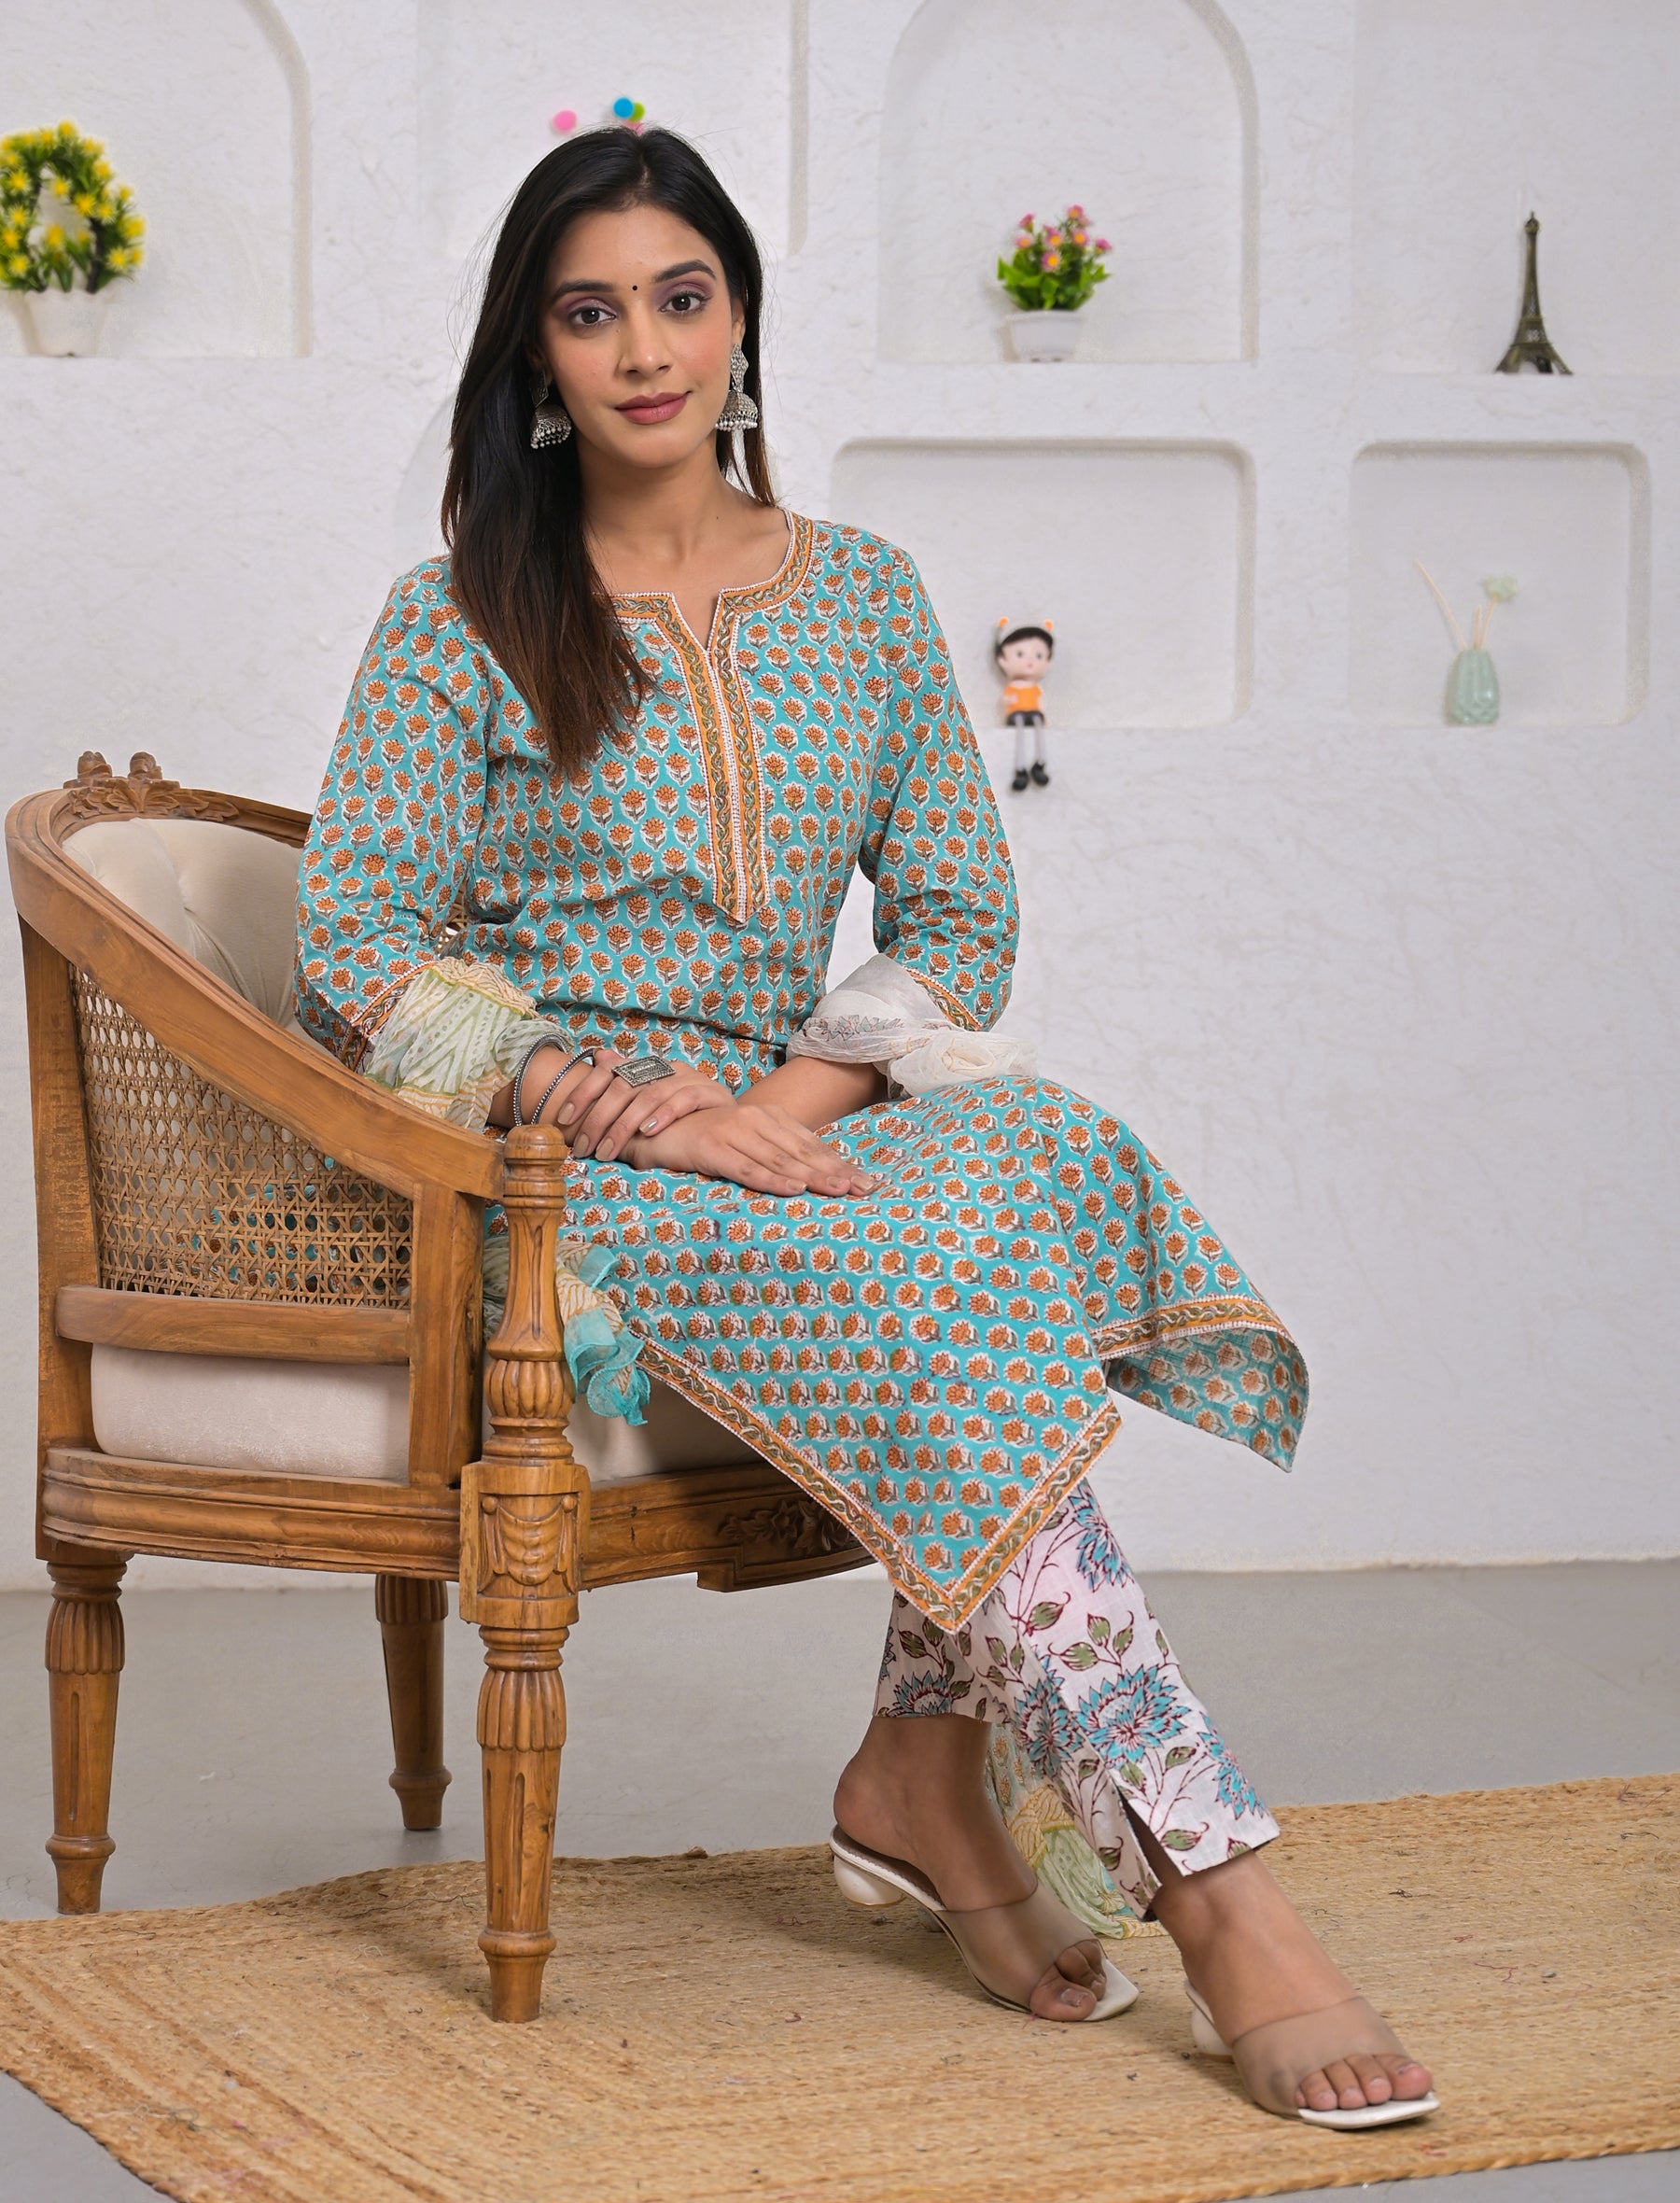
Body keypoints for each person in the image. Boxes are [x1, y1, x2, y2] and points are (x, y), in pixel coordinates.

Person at [294, 125, 1435, 2127]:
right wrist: (635, 1113)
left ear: (739, 317)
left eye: (681, 298)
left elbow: (960, 918)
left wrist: (779, 1102)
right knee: (932, 1264)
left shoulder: (869, 596)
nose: (645, 349)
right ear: (536, 355)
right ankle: (1212, 1880)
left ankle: (920, 1769)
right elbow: (358, 953)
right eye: (590, 313)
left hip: (790, 1121)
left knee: (1041, 1157)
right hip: (566, 1184)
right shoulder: (458, 614)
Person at [995, 619, 1053, 790]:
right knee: (1020, 734)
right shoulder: (1013, 687)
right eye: (1020, 654)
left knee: (1039, 733)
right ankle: (1020, 769)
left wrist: (1045, 718)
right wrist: (1007, 703)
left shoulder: (1035, 689)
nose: (1030, 661)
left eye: (1038, 656)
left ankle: (1040, 763)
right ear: (1002, 660)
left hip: (1035, 713)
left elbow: (1040, 703)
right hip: (1016, 714)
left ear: (1047, 663)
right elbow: (1005, 701)